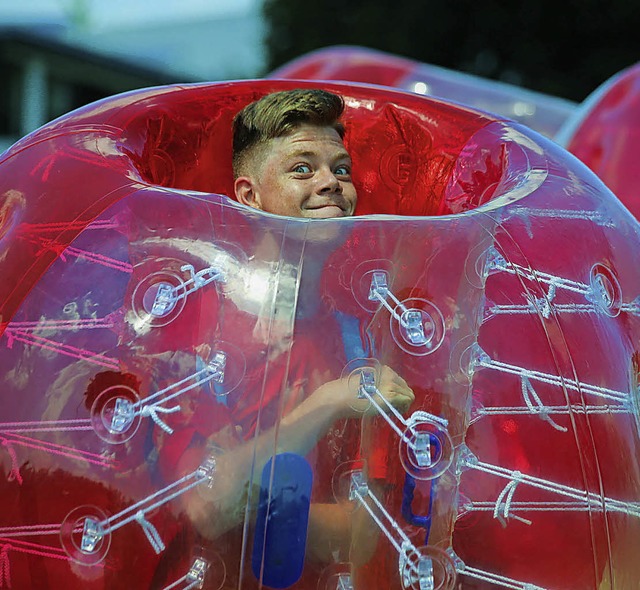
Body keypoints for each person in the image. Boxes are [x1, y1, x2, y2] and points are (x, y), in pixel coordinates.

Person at [160, 89, 414, 586]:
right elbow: (205, 507)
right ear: (249, 196)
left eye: (341, 169)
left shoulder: (360, 341)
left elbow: (361, 534)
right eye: (302, 168)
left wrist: (248, 488)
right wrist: (326, 404)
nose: (330, 183)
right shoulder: (187, 326)